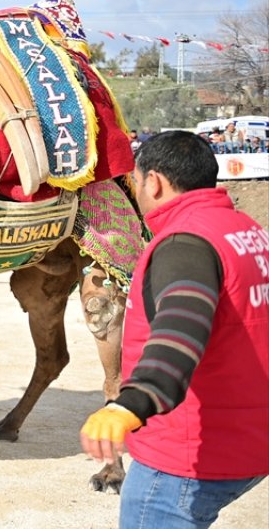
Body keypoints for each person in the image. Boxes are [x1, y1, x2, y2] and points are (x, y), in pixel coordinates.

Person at [79, 131, 268, 528]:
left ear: (155, 182)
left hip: (187, 454)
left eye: (135, 180)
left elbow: (180, 333)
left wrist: (131, 403)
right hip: (250, 437)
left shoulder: (185, 244)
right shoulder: (244, 229)